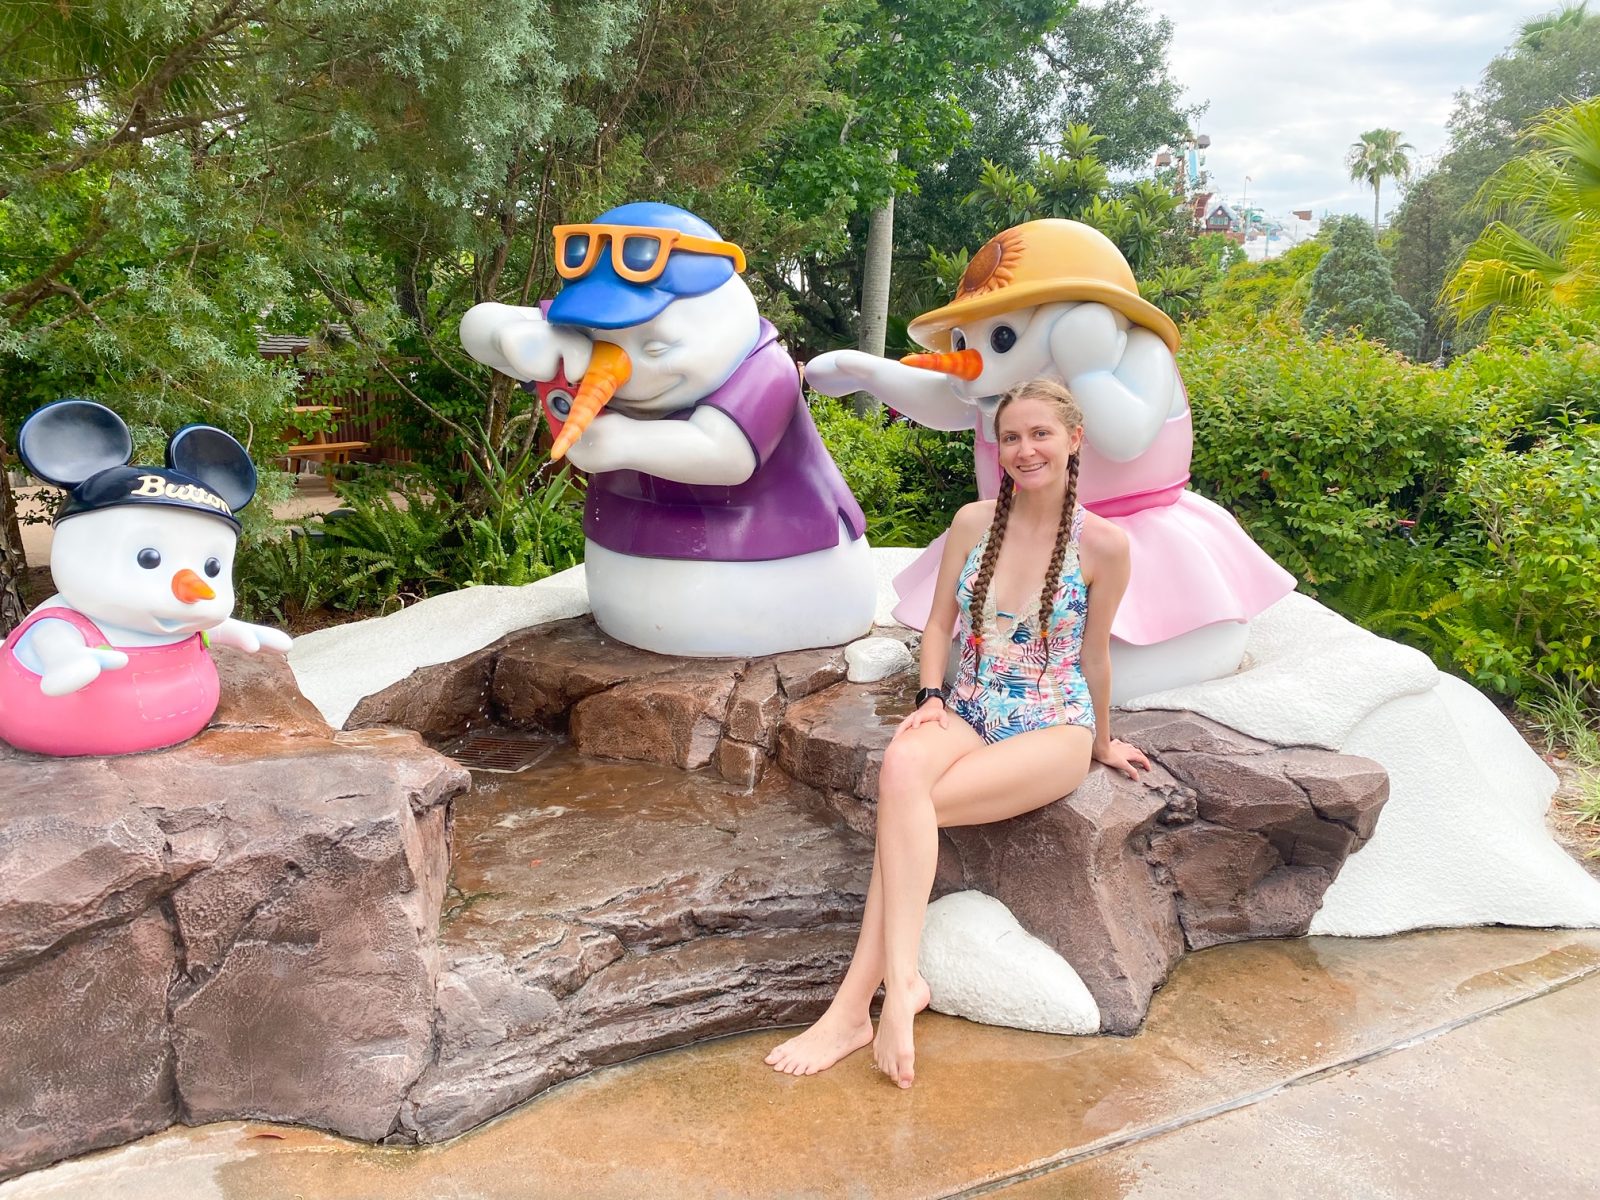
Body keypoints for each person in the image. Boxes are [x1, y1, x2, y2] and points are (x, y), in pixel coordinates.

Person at [764, 377, 1151, 1088]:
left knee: (908, 813)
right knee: (903, 774)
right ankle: (899, 986)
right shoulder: (975, 523)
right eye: (1011, 437)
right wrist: (931, 696)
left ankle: (859, 1005)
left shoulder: (1105, 545)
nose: (1025, 449)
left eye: (1040, 433)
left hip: (1051, 725)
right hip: (967, 709)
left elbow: (1096, 654)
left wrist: (1102, 740)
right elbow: (937, 624)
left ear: (1074, 439)